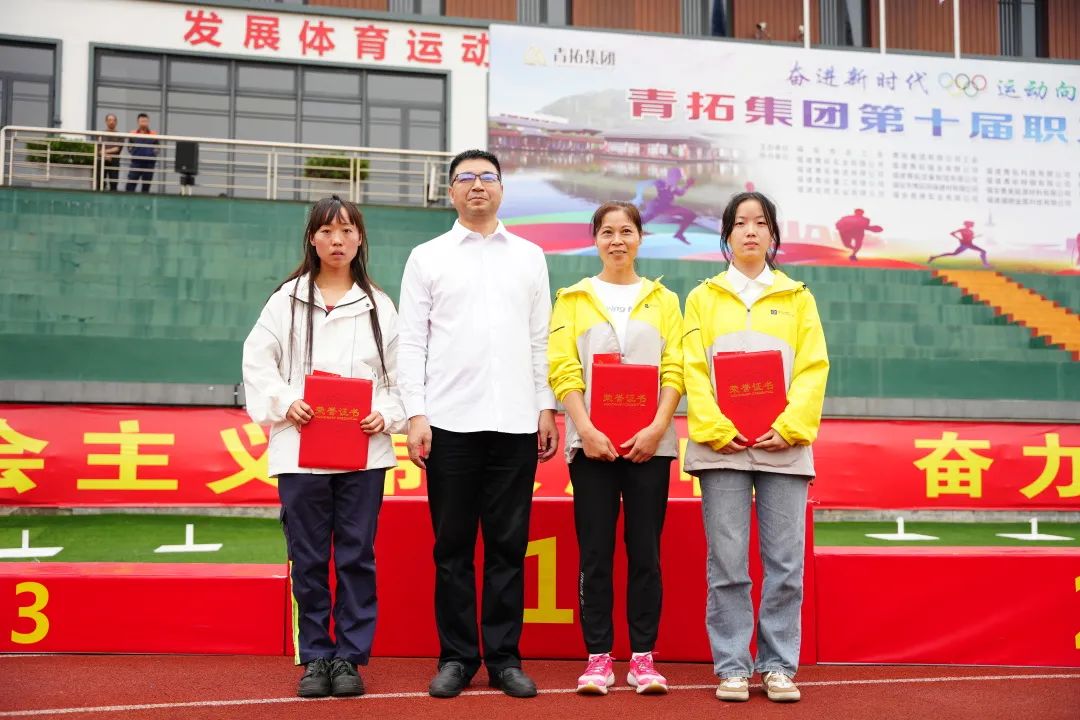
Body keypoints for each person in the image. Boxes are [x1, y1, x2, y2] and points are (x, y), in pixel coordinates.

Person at [397, 149, 559, 699]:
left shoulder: (530, 256)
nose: (477, 186)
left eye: (487, 177)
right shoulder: (427, 257)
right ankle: (457, 658)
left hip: (515, 422)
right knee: (453, 549)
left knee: (509, 548)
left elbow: (540, 338)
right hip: (448, 423)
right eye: (465, 178)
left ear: (501, 189)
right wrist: (416, 413)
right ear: (450, 192)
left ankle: (505, 659)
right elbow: (411, 342)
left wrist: (545, 406)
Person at [242, 195, 405, 699]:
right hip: (300, 452)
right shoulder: (285, 300)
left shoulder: (379, 306)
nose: (338, 240)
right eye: (328, 231)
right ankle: (315, 656)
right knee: (308, 558)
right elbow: (257, 363)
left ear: (360, 239)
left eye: (347, 231)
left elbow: (402, 378)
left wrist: (387, 413)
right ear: (312, 239)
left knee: (356, 557)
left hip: (363, 453)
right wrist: (285, 401)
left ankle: (350, 658)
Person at [682, 191, 828, 704]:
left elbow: (813, 367)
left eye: (760, 223)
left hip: (783, 446)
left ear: (772, 235)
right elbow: (693, 368)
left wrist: (789, 426)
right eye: (740, 223)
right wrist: (716, 426)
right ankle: (732, 667)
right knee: (727, 563)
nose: (750, 231)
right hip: (721, 447)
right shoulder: (702, 297)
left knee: (785, 563)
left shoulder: (798, 297)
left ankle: (778, 666)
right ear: (727, 235)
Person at [547, 201, 683, 696]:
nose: (617, 240)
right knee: (595, 554)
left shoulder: (664, 300)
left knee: (645, 553)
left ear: (640, 238)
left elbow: (675, 368)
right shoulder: (573, 299)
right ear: (595, 240)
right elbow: (563, 368)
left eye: (626, 231)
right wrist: (585, 429)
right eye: (607, 232)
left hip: (651, 447)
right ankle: (599, 657)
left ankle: (643, 657)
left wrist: (656, 428)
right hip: (591, 448)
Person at [126, 113, 158, 193]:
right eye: (142, 121)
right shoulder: (133, 133)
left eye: (145, 121)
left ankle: (145, 201)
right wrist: (134, 153)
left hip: (149, 164)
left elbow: (157, 148)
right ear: (138, 122)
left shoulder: (153, 134)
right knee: (130, 186)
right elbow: (129, 147)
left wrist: (152, 154)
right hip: (136, 163)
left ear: (148, 122)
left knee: (146, 187)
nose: (144, 123)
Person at [99, 113, 122, 191]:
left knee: (114, 184)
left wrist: (104, 152)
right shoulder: (101, 134)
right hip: (102, 161)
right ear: (106, 121)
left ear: (116, 122)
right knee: (100, 183)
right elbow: (98, 149)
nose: (111, 122)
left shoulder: (120, 135)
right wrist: (105, 155)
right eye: (109, 120)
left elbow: (117, 148)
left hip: (114, 161)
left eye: (113, 120)